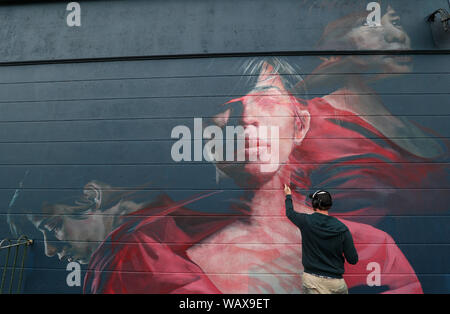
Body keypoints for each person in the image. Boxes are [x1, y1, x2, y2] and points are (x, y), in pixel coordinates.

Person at [284, 184, 358, 294]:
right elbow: (353, 260)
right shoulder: (342, 229)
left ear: (314, 204)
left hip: (312, 282)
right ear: (329, 205)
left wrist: (288, 196)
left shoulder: (306, 221)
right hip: (335, 283)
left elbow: (290, 213)